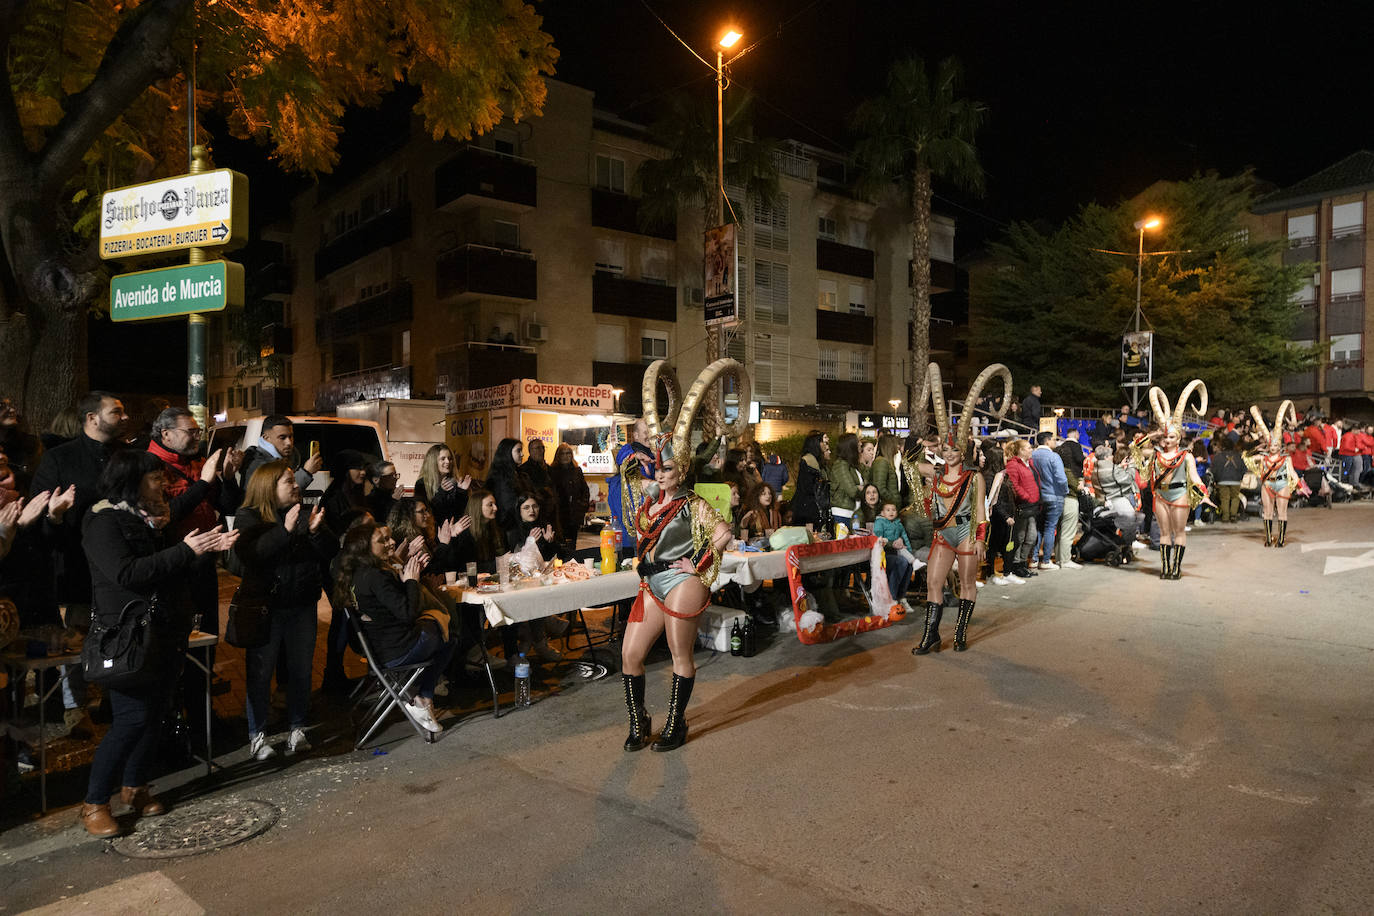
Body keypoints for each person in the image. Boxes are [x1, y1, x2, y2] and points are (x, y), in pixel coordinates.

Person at [77, 450, 237, 836]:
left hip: (165, 630)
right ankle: (95, 802)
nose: (163, 485)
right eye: (154, 478)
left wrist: (204, 551)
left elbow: (169, 569)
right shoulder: (103, 521)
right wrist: (187, 550)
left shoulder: (151, 518)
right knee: (130, 720)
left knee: (156, 714)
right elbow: (126, 573)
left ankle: (135, 786)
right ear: (130, 482)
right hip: (128, 635)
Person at [618, 432, 732, 752]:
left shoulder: (692, 503)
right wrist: (637, 453)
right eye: (657, 469)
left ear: (681, 471)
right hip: (649, 582)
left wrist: (696, 563)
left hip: (681, 581)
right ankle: (639, 721)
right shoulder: (652, 499)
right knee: (630, 655)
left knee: (678, 653)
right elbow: (628, 470)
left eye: (667, 469)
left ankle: (675, 722)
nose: (660, 474)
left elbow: (723, 534)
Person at [29, 390, 126, 732]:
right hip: (75, 566)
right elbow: (38, 517)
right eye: (116, 412)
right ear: (91, 418)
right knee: (76, 639)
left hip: (117, 565)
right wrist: (54, 517)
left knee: (116, 632)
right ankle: (76, 708)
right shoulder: (59, 459)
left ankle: (114, 700)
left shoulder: (124, 455)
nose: (124, 417)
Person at [146, 406, 241, 736]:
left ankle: (202, 715)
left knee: (206, 643)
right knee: (175, 648)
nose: (197, 438)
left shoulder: (199, 463)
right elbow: (165, 515)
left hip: (204, 566)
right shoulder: (151, 467)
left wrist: (227, 478)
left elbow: (228, 506)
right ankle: (171, 721)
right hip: (173, 570)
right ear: (166, 434)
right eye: (191, 432)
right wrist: (203, 483)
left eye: (199, 432)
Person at [233, 461, 337, 760]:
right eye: (288, 481)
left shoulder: (305, 512)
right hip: (265, 607)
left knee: (301, 670)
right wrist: (285, 530)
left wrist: (316, 532)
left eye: (294, 481)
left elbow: (330, 551)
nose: (296, 486)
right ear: (268, 487)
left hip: (301, 605)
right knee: (260, 672)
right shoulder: (248, 517)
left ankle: (298, 728)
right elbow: (251, 556)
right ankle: (258, 735)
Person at [335, 519, 456, 734]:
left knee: (439, 626)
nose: (391, 542)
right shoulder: (375, 576)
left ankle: (418, 697)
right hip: (396, 651)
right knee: (448, 634)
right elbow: (407, 613)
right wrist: (411, 581)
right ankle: (424, 697)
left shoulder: (358, 574)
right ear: (365, 549)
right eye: (383, 540)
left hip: (380, 650)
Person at [1134, 382, 1215, 578]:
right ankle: (1165, 568)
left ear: (1178, 438)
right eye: (1166, 437)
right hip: (1161, 495)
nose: (1168, 440)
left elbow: (1194, 477)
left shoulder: (1186, 456)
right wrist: (1152, 434)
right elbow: (1134, 448)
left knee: (1178, 533)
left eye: (1171, 437)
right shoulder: (1155, 453)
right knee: (1163, 533)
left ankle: (1176, 568)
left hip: (1180, 495)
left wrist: (1203, 494)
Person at [504, 492, 564, 661]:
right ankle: (538, 634)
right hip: (517, 583)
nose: (532, 510)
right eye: (526, 507)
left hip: (540, 579)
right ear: (519, 510)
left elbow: (551, 559)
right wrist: (530, 543)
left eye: (535, 506)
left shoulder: (543, 526)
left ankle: (538, 639)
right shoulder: (512, 532)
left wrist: (549, 543)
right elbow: (516, 561)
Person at [1245, 402, 1298, 547]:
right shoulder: (1263, 457)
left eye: (1276, 445)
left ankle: (1281, 539)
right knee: (1267, 512)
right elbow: (1246, 458)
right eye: (1271, 446)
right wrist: (1257, 447)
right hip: (1267, 484)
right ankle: (1268, 539)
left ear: (1280, 446)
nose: (1273, 448)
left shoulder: (1286, 458)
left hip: (1282, 484)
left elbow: (1292, 472)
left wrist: (1299, 484)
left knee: (1282, 512)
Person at [239, 415, 324, 497]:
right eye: (282, 438)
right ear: (266, 438)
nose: (289, 442)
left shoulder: (289, 458)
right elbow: (278, 497)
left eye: (290, 436)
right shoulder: (256, 463)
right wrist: (306, 472)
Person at [609, 419, 653, 546]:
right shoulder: (628, 450)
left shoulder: (655, 453)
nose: (650, 436)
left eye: (652, 432)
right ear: (636, 435)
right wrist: (636, 458)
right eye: (646, 432)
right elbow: (623, 459)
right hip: (628, 511)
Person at [1030, 432, 1069, 570]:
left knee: (1039, 528)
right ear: (1047, 442)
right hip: (1054, 496)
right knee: (1050, 528)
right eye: (1053, 439)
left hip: (1038, 497)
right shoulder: (1053, 456)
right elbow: (1061, 478)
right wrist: (1065, 491)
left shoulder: (1032, 456)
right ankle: (1046, 560)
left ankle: (1034, 559)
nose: (1055, 442)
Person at [1004, 438, 1040, 579]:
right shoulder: (1013, 464)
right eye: (1028, 448)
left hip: (1031, 505)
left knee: (1031, 537)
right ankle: (1017, 564)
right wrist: (1027, 496)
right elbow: (1014, 485)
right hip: (1021, 505)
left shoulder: (1029, 463)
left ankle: (1022, 563)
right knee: (1020, 536)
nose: (1031, 450)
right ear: (1020, 450)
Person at [413, 443, 471, 528]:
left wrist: (461, 491)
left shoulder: (455, 482)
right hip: (433, 532)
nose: (448, 462)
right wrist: (441, 493)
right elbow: (428, 513)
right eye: (443, 459)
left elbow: (459, 512)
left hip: (454, 530)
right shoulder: (421, 484)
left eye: (450, 458)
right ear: (433, 461)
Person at [485, 438, 534, 532]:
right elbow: (508, 505)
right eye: (518, 451)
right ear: (507, 452)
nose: (522, 454)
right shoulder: (501, 476)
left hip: (520, 523)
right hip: (509, 527)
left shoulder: (520, 474)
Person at [872, 501, 917, 603]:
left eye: (893, 510)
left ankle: (901, 596)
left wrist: (908, 550)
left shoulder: (898, 523)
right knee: (901, 562)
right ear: (882, 513)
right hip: (884, 554)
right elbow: (878, 538)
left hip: (897, 551)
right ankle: (892, 597)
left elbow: (904, 536)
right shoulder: (880, 523)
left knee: (909, 564)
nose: (891, 512)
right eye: (888, 510)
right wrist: (892, 543)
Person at [549, 443, 590, 553]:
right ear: (558, 455)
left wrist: (582, 506)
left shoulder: (577, 471)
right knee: (560, 544)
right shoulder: (552, 471)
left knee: (572, 544)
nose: (566, 456)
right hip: (560, 514)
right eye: (563, 454)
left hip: (574, 514)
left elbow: (585, 490)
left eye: (568, 453)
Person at [790, 430, 831, 532]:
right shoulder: (809, 461)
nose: (826, 446)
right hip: (807, 511)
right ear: (816, 443)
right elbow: (808, 488)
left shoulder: (817, 462)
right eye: (824, 442)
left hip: (812, 508)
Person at [0, 396, 42, 493]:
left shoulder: (31, 444)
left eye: (10, 405)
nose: (12, 410)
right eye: (2, 406)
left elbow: (37, 478)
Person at [321, 449, 369, 534]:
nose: (363, 472)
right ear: (345, 470)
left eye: (364, 468)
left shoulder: (356, 493)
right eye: (358, 468)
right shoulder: (333, 498)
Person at [828, 432, 863, 535]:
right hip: (842, 514)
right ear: (851, 446)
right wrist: (860, 488)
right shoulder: (841, 465)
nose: (861, 444)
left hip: (853, 514)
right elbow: (852, 491)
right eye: (858, 442)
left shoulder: (851, 465)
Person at [870, 433, 901, 509]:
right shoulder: (881, 462)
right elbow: (879, 488)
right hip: (886, 508)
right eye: (896, 444)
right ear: (889, 445)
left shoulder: (885, 462)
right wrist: (894, 501)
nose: (898, 446)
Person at [364, 460, 399, 525]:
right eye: (390, 475)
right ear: (376, 480)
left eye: (395, 474)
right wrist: (393, 501)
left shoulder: (394, 495)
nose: (395, 478)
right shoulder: (371, 501)